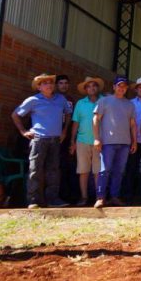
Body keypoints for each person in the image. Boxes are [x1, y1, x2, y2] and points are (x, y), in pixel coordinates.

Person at [12, 73, 73, 208]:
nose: (49, 85)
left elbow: (68, 113)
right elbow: (15, 115)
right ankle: (33, 200)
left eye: (51, 82)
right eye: (45, 83)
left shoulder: (61, 99)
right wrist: (23, 131)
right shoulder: (33, 100)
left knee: (54, 170)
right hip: (39, 139)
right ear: (39, 87)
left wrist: (64, 131)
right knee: (35, 169)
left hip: (56, 139)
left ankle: (53, 199)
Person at [92, 76, 137, 208]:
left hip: (125, 143)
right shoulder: (104, 101)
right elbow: (96, 119)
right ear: (114, 87)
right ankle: (100, 197)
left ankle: (114, 197)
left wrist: (134, 141)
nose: (121, 88)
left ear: (127, 88)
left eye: (124, 86)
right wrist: (96, 138)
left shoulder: (130, 104)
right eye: (119, 85)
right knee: (105, 170)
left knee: (119, 171)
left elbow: (133, 124)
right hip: (108, 142)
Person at [69, 76, 104, 206]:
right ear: (85, 89)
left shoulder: (104, 101)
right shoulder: (80, 103)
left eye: (94, 85)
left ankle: (98, 198)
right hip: (82, 141)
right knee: (83, 171)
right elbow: (75, 123)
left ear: (97, 88)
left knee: (97, 171)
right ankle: (84, 197)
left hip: (99, 141)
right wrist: (72, 141)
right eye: (88, 86)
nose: (91, 88)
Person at [123, 76, 141, 205]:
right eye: (140, 87)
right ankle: (128, 197)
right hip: (133, 141)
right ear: (136, 89)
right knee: (131, 169)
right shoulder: (130, 103)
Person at [55, 75, 77, 205]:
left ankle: (67, 195)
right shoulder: (52, 98)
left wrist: (71, 140)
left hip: (68, 136)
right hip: (53, 136)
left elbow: (74, 120)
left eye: (66, 83)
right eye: (61, 83)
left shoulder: (71, 100)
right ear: (57, 85)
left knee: (68, 166)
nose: (64, 85)